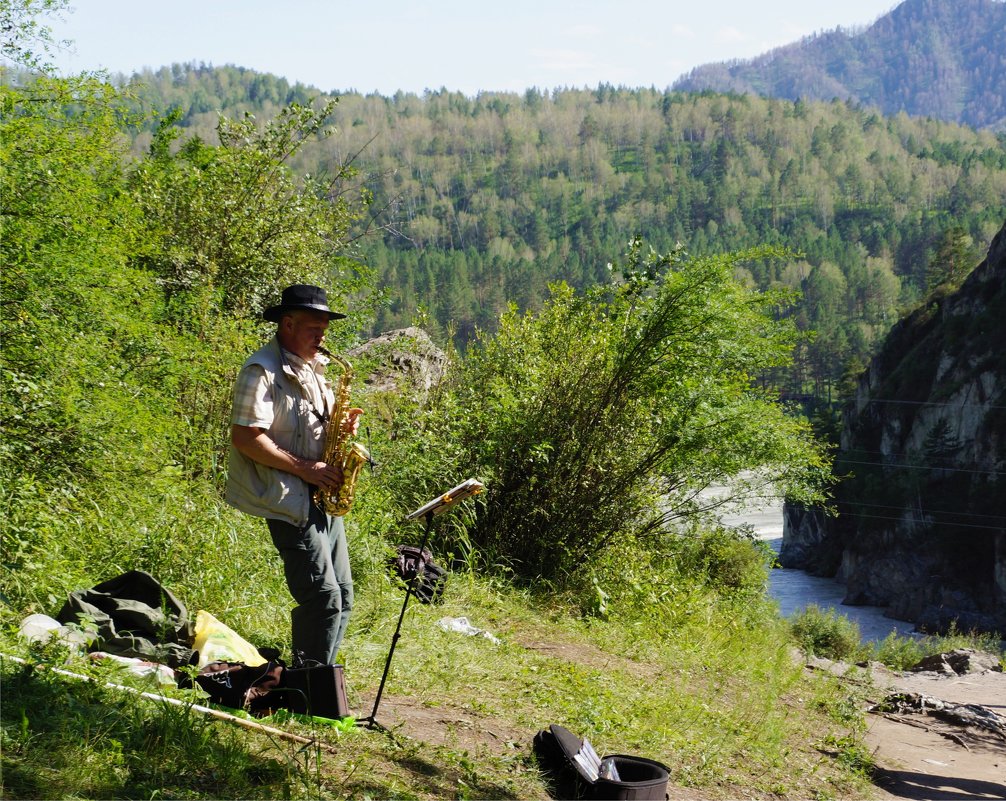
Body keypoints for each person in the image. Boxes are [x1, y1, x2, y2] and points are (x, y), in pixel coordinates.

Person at [226, 283, 362, 665]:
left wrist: (342, 427)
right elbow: (246, 438)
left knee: (344, 595)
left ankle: (321, 679)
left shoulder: (314, 369)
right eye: (313, 328)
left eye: (324, 329)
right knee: (323, 597)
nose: (322, 337)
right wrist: (307, 468)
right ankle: (308, 689)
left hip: (322, 495)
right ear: (287, 324)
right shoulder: (261, 371)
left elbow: (315, 425)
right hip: (291, 498)